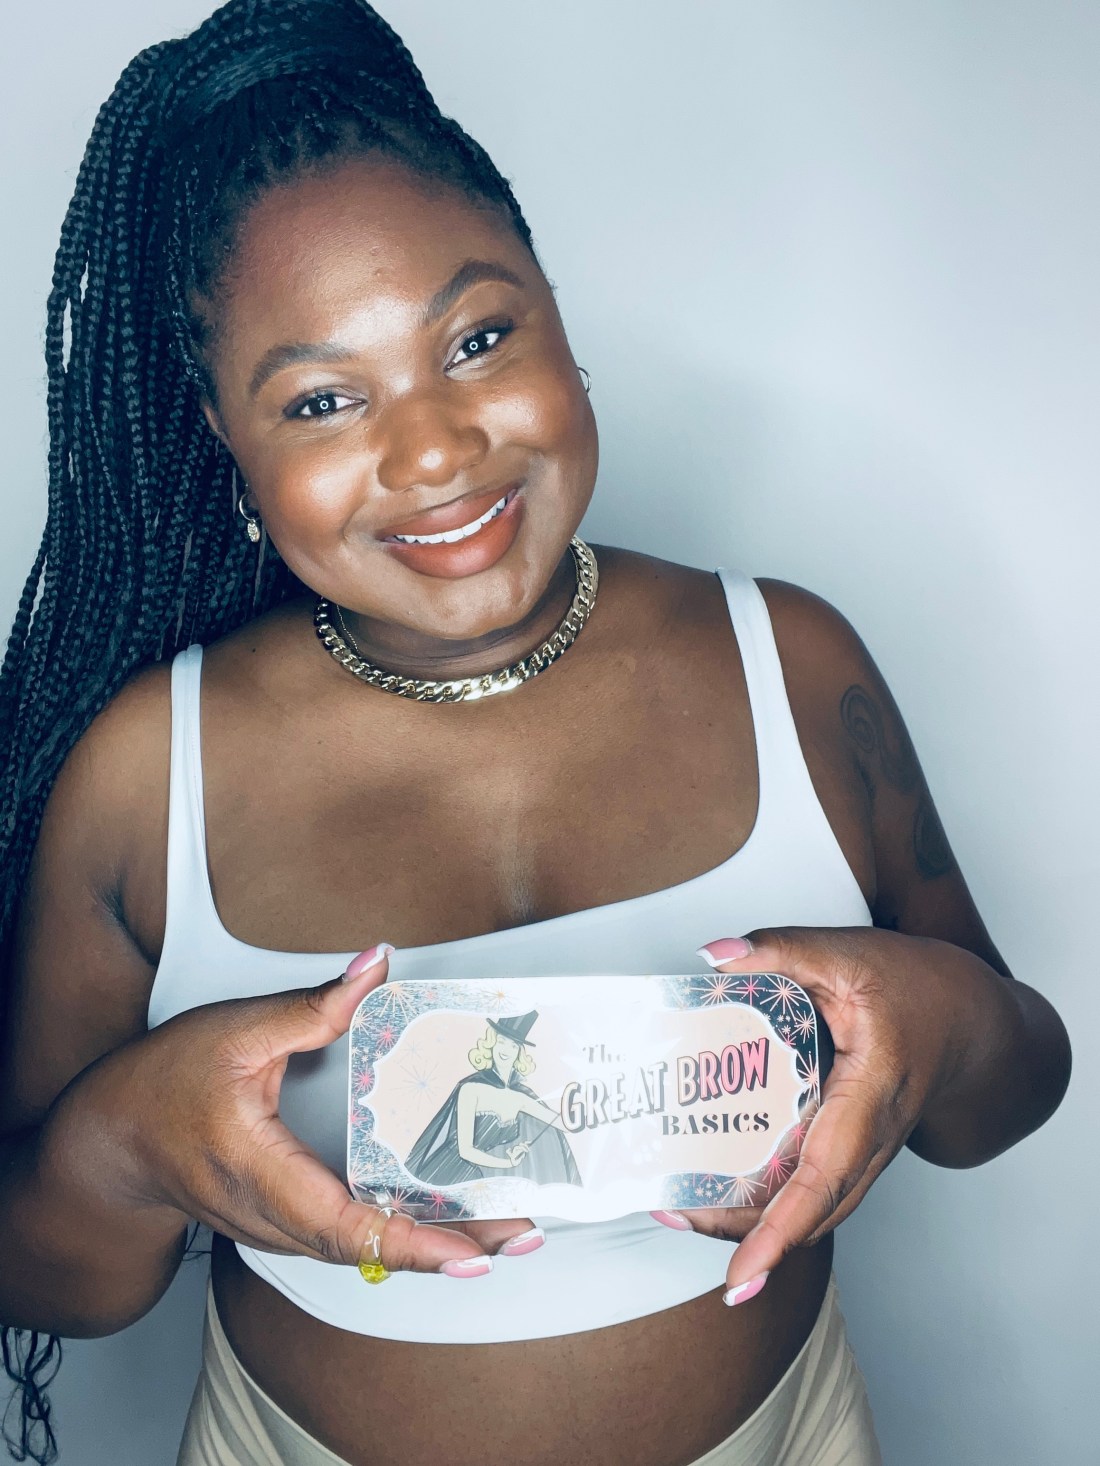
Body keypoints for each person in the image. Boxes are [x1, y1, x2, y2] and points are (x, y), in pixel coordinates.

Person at [0, 2, 1071, 1463]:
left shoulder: (792, 661)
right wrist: (130, 1142)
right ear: (219, 435)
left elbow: (1010, 1089)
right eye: (322, 399)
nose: (435, 449)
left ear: (556, 307)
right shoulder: (146, 778)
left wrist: (941, 1022)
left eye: (479, 336)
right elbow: (44, 1273)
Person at [404, 1012, 582, 1187]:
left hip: (486, 1177)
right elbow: (466, 1151)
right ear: (491, 1044)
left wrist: (584, 1102)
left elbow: (563, 1123)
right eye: (501, 1042)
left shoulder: (520, 1096)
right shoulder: (470, 1089)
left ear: (519, 1053)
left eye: (513, 1046)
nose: (505, 1050)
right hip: (453, 1172)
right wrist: (507, 1163)